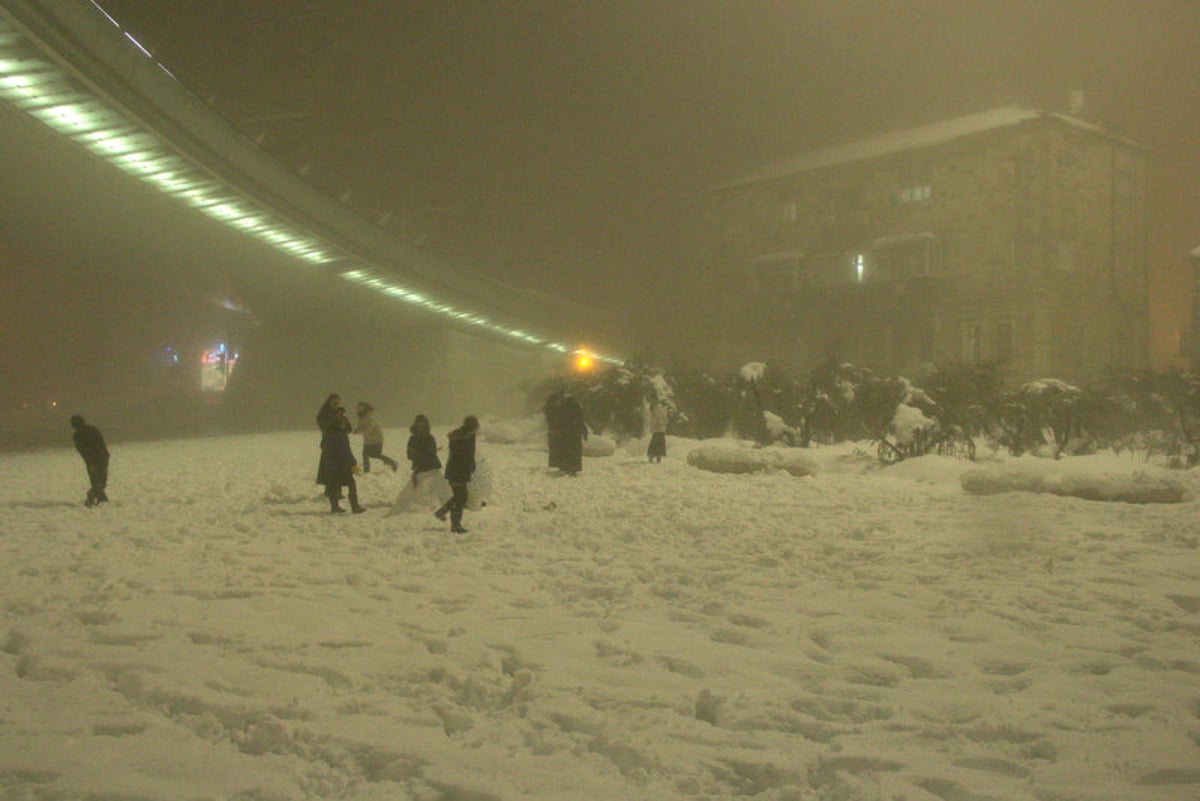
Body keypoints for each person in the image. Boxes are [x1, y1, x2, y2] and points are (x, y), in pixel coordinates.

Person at [315, 394, 364, 514]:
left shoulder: (340, 416)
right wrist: (335, 421)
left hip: (343, 452)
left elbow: (348, 429)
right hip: (331, 452)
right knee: (334, 480)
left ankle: (354, 505)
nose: (336, 405)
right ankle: (335, 506)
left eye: (338, 403)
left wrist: (343, 422)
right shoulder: (324, 416)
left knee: (349, 479)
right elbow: (325, 427)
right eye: (334, 403)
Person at [434, 415, 479, 534]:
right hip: (457, 471)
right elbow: (459, 455)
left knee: (460, 496)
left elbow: (470, 454)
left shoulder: (470, 435)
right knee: (461, 497)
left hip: (463, 471)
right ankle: (455, 525)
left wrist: (472, 465)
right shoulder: (460, 437)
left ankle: (442, 513)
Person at [70, 414, 109, 507]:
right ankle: (95, 497)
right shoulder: (90, 430)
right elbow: (99, 443)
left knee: (98, 481)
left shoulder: (78, 435)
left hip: (96, 459)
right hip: (99, 459)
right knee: (100, 481)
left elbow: (84, 451)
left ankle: (100, 498)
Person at [354, 401, 398, 473]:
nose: (358, 409)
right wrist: (356, 429)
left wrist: (359, 431)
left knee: (375, 455)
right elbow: (361, 427)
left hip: (376, 440)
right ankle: (366, 471)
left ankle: (392, 463)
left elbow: (369, 428)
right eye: (357, 408)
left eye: (360, 407)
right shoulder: (361, 417)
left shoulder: (370, 416)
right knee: (365, 455)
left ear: (364, 408)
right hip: (368, 440)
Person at [555, 392, 588, 477]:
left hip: (565, 433)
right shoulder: (577, 407)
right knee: (575, 451)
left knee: (565, 450)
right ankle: (574, 468)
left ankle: (565, 466)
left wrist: (557, 431)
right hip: (575, 433)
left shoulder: (562, 408)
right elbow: (581, 419)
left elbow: (559, 421)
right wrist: (584, 432)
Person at [542, 388, 565, 470]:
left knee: (554, 445)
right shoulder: (555, 405)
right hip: (556, 427)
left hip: (553, 427)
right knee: (558, 445)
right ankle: (558, 462)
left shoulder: (550, 405)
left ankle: (556, 462)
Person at [647, 397, 668, 463]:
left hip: (659, 428)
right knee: (657, 443)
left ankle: (655, 458)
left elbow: (662, 417)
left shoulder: (658, 407)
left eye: (652, 400)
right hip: (657, 429)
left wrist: (658, 424)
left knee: (656, 443)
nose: (651, 402)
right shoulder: (655, 407)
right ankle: (655, 458)